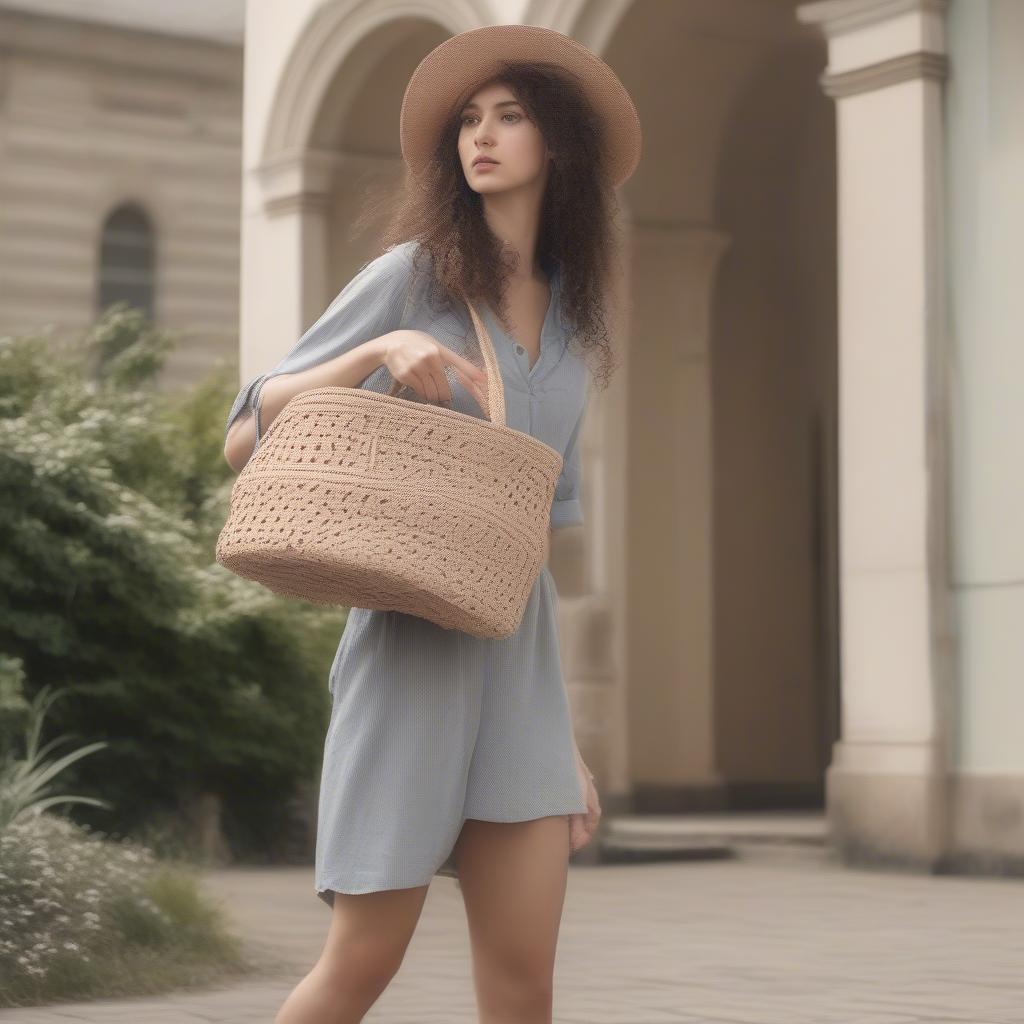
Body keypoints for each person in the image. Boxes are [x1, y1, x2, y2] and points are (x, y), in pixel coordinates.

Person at [222, 23, 641, 1024]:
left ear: (560, 147)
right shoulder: (411, 275)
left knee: (522, 984)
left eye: (509, 116)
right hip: (407, 663)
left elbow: (531, 536)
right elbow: (243, 432)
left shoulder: (577, 334)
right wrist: (379, 348)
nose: (481, 137)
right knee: (361, 962)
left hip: (521, 680)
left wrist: (568, 742)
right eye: (468, 120)